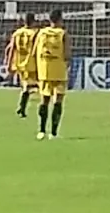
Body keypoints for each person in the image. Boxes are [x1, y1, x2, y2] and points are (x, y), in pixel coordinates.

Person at [34, 11, 70, 140]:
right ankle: (53, 133)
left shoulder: (41, 33)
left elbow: (34, 52)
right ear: (60, 20)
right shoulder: (63, 34)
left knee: (44, 100)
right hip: (59, 71)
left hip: (45, 71)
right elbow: (67, 55)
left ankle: (41, 130)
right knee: (58, 100)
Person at [8, 14, 40, 117]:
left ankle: (22, 107)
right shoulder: (35, 33)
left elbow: (11, 49)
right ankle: (23, 107)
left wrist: (9, 63)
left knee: (26, 86)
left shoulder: (17, 33)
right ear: (33, 21)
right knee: (40, 86)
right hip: (32, 63)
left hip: (20, 63)